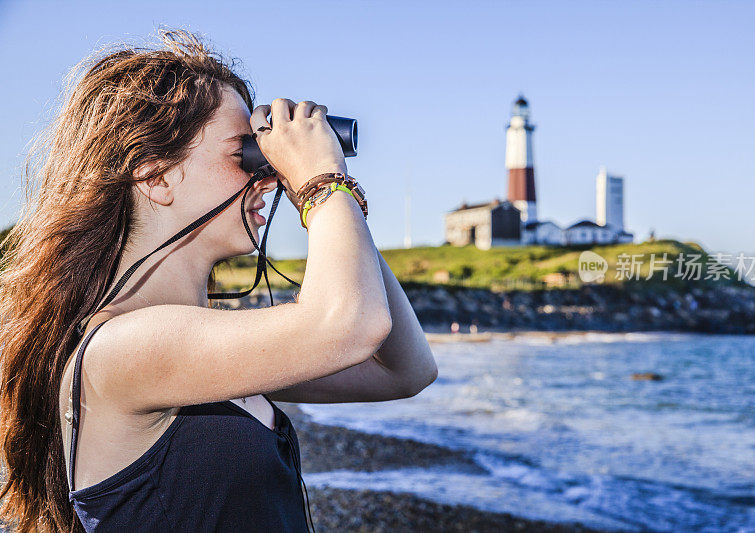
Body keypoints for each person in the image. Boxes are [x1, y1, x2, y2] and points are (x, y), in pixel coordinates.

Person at [0, 29, 438, 533]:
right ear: (156, 176)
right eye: (245, 156)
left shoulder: (202, 346)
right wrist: (323, 182)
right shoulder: (121, 347)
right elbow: (349, 326)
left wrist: (326, 201)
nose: (268, 176)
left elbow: (405, 370)